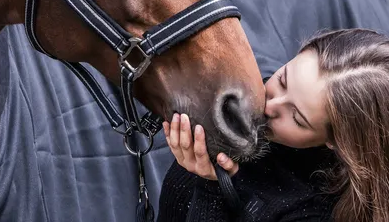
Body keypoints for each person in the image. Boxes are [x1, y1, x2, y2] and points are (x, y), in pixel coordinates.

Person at [160, 28, 389, 222]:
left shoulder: (315, 211)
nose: (270, 106)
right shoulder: (238, 94)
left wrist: (212, 187)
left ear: (335, 142)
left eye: (296, 118)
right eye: (282, 81)